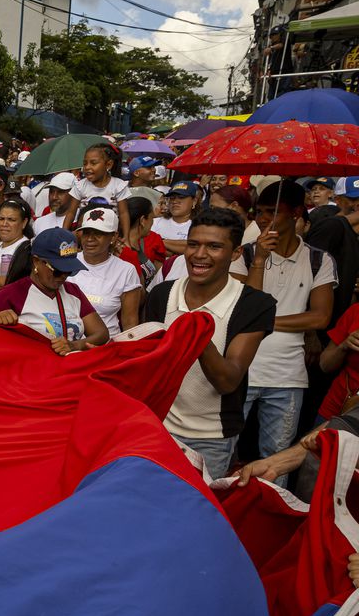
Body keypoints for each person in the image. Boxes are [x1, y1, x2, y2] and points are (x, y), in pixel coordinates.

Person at [144, 208, 277, 479]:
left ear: (236, 253)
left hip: (210, 439)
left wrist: (196, 333)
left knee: (195, 515)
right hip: (156, 427)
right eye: (193, 244)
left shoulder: (253, 305)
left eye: (214, 246)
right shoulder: (161, 294)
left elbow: (228, 381)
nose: (199, 254)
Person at [228, 180, 335, 480]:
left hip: (288, 374)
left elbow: (320, 317)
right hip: (241, 367)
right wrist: (260, 261)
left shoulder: (318, 259)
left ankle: (272, 518)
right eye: (259, 211)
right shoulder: (247, 254)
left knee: (277, 460)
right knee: (225, 449)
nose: (263, 218)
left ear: (297, 212)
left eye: (271, 212)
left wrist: (265, 322)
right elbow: (240, 310)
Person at [0, 228, 109, 355]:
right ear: (36, 262)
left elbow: (101, 333)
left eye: (69, 271)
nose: (63, 276)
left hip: (72, 369)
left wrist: (74, 345)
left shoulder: (73, 291)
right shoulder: (8, 295)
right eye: (57, 270)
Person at [67, 207, 142, 337]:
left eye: (98, 233)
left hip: (105, 347)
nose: (90, 239)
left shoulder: (126, 271)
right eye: (86, 233)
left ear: (113, 237)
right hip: (65, 345)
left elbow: (130, 323)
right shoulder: (66, 262)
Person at [65, 143, 129, 234]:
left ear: (108, 165)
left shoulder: (118, 186)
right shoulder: (80, 186)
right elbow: (71, 213)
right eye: (85, 163)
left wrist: (126, 237)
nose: (87, 167)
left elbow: (124, 214)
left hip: (110, 233)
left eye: (93, 163)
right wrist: (64, 233)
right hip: (85, 232)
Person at [0, 200, 32, 290]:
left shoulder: (26, 249)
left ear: (24, 223)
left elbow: (9, 283)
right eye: (1, 219)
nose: (4, 224)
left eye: (11, 220)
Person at [118, 196, 166, 289]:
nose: (153, 223)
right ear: (143, 220)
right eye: (152, 218)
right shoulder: (122, 251)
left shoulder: (138, 244)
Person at [151, 180, 198, 255]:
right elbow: (148, 245)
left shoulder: (199, 226)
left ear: (194, 201)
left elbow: (195, 248)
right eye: (172, 198)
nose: (175, 201)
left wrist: (159, 241)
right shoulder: (154, 222)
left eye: (181, 197)